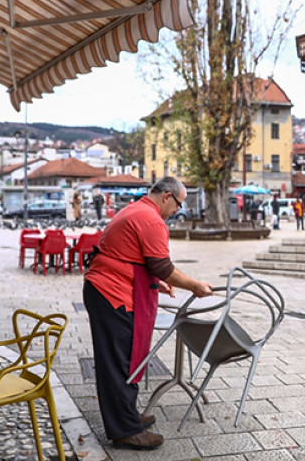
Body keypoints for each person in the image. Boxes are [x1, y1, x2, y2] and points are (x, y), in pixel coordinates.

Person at [83, 177, 213, 450]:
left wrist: (156, 282)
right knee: (120, 361)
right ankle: (125, 431)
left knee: (123, 358)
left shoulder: (136, 209)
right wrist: (195, 286)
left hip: (105, 287)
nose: (178, 210)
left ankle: (126, 416)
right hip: (112, 294)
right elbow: (162, 266)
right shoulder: (152, 220)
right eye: (178, 204)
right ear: (167, 196)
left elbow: (136, 259)